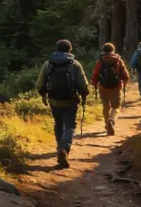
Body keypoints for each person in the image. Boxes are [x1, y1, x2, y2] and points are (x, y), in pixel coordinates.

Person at [37, 39, 90, 168]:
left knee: (58, 123)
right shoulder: (75, 64)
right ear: (69, 50)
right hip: (70, 101)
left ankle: (59, 146)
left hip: (54, 100)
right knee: (70, 126)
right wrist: (84, 95)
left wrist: (44, 96)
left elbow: (40, 84)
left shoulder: (48, 64)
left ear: (56, 49)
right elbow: (84, 85)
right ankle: (64, 148)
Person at [90, 43, 130, 136]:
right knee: (115, 106)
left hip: (103, 87)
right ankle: (111, 120)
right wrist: (124, 84)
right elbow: (126, 76)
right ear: (113, 50)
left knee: (106, 106)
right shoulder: (118, 60)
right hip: (116, 87)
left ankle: (107, 125)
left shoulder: (100, 61)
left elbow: (95, 75)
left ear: (103, 50)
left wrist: (94, 85)